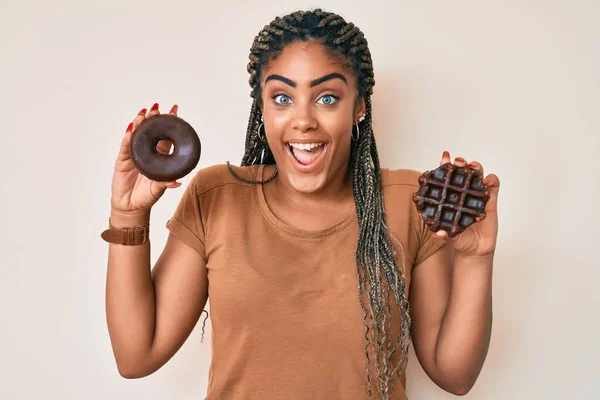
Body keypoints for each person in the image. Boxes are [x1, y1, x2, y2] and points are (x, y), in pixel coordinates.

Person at [103, 9, 500, 400]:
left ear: (358, 106)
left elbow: (455, 376)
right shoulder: (217, 196)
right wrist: (128, 213)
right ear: (262, 106)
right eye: (282, 97)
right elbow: (137, 356)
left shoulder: (408, 201)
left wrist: (476, 259)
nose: (303, 120)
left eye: (327, 98)